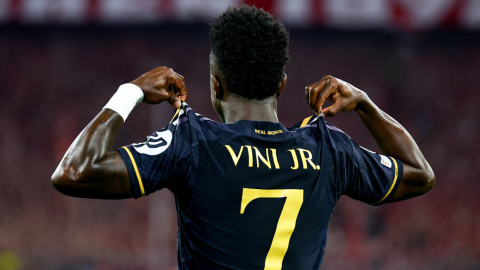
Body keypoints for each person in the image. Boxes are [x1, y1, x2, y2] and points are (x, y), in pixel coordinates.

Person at [51, 5, 435, 270]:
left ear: (215, 86)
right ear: (282, 85)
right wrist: (365, 104)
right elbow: (419, 173)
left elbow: (73, 172)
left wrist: (130, 90)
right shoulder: (328, 148)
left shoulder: (194, 143)